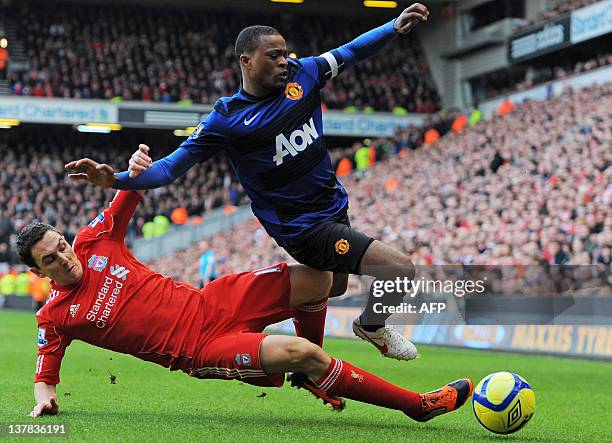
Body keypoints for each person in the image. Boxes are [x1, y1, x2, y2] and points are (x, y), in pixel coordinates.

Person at [66, 4, 432, 365]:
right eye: (273, 56)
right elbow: (168, 169)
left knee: (331, 286)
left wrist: (393, 27)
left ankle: (283, 342)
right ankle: (371, 326)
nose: (284, 61)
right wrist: (115, 179)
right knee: (398, 268)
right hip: (302, 227)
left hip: (333, 209)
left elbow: (350, 51)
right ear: (246, 61)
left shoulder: (304, 75)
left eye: (285, 54)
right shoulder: (226, 118)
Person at [18, 189, 473, 419]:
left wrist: (132, 166)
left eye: (61, 245)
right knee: (305, 353)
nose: (65, 257)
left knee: (323, 280)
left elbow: (130, 190)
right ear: (39, 273)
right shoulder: (55, 318)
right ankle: (418, 404)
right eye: (51, 259)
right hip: (199, 349)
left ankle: (317, 376)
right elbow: (45, 377)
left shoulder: (95, 240)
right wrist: (46, 403)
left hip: (215, 300)